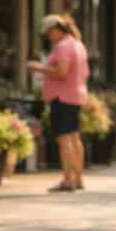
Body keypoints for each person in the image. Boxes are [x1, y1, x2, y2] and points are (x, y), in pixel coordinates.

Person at [27, 14, 88, 193]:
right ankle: (78, 179)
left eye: (48, 33)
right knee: (74, 137)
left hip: (62, 97)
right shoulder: (78, 44)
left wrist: (38, 67)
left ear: (55, 30)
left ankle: (68, 180)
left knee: (64, 138)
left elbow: (62, 72)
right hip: (76, 95)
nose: (48, 37)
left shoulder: (63, 47)